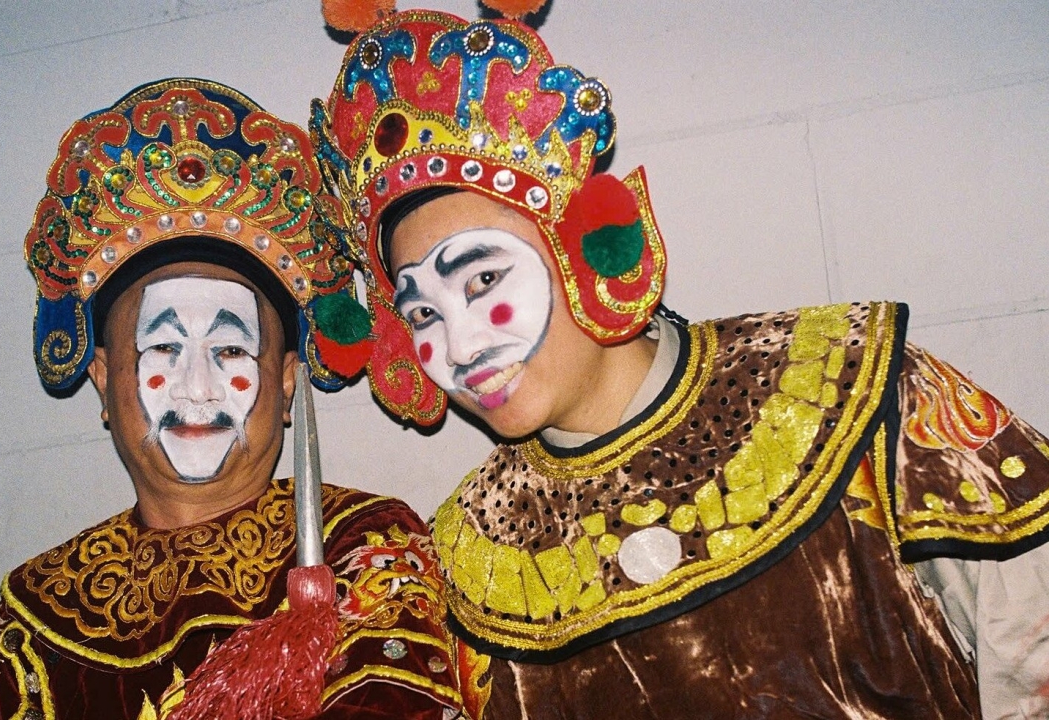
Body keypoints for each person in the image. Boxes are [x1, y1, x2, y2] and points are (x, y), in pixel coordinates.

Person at [310, 9, 1049, 719]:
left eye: (482, 280)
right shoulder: (468, 556)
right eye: (423, 315)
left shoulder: (854, 387)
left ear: (584, 244)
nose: (460, 346)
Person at [0, 78, 483, 720]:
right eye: (164, 349)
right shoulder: (39, 609)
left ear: (286, 383)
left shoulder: (365, 549)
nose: (197, 388)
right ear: (105, 381)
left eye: (229, 351)